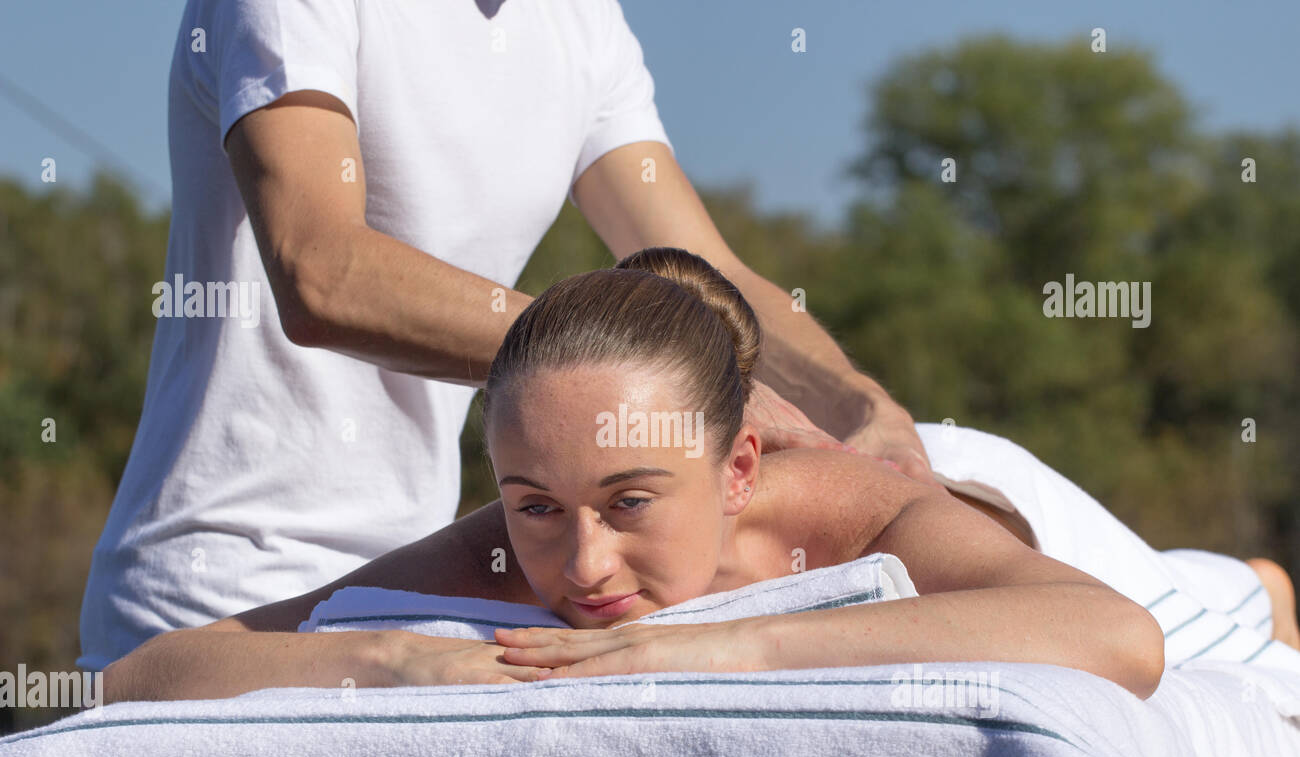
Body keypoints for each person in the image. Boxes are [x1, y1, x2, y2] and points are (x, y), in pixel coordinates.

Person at [77, 0, 932, 676]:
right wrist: (646, 369)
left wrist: (870, 410)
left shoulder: (580, 22)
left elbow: (709, 269)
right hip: (219, 598)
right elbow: (320, 271)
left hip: (418, 594)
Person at [99, 247, 1300, 703]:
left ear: (735, 469)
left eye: (629, 504)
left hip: (984, 491)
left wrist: (707, 641)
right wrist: (390, 651)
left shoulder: (841, 518)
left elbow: (1117, 634)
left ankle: (1259, 581)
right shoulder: (516, 540)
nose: (580, 565)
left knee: (1225, 617)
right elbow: (151, 671)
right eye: (533, 506)